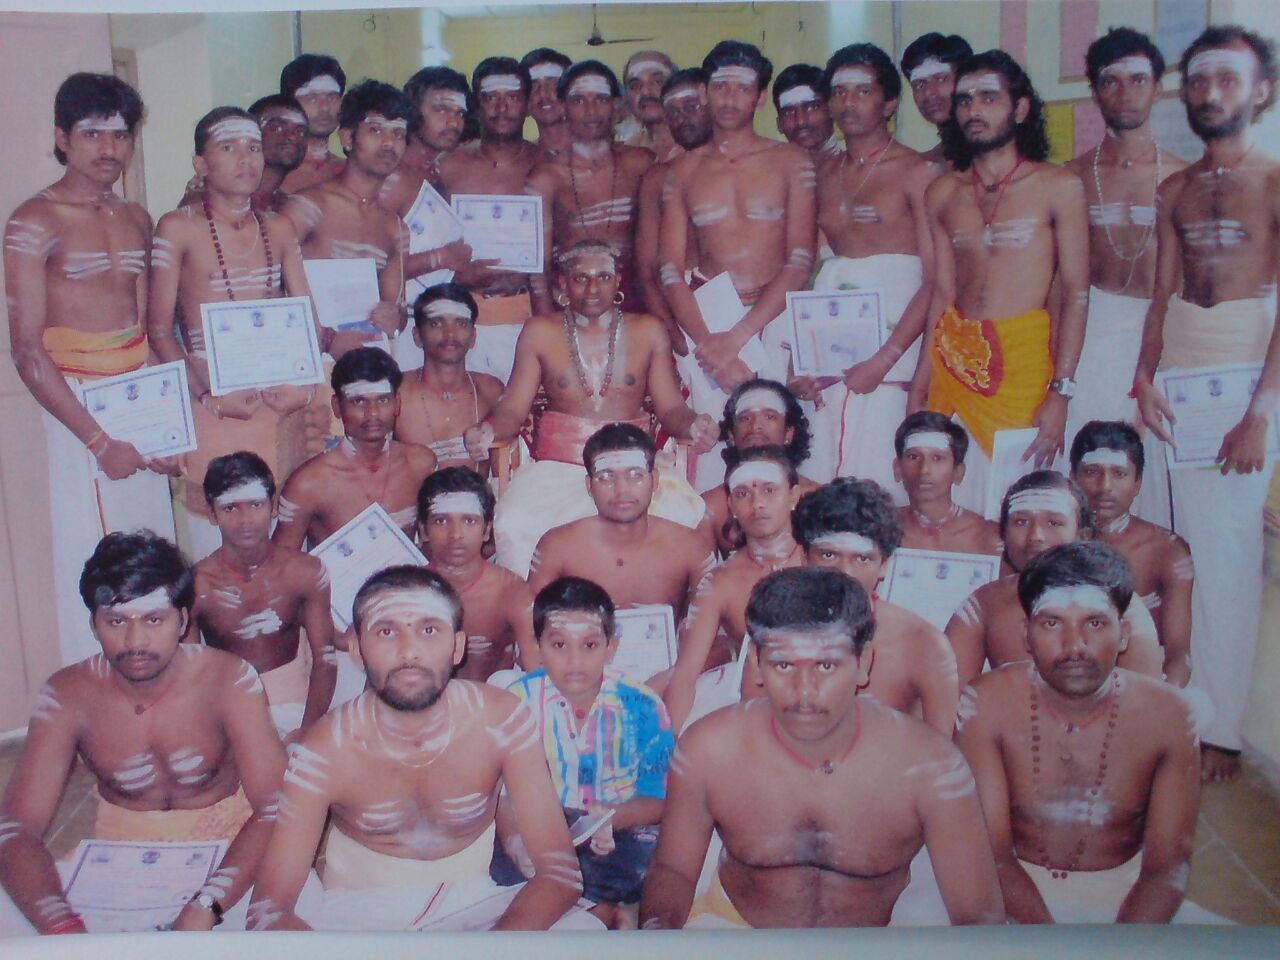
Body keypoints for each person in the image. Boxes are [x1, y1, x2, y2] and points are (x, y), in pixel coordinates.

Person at [639, 567, 1005, 928]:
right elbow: (674, 871)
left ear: (863, 665)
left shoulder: (930, 765)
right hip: (736, 932)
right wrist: (658, 935)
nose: (805, 691)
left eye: (827, 665)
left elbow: (977, 916)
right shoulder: (708, 751)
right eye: (783, 665)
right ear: (756, 664)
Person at [245, 566, 587, 931]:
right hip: (357, 914)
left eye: (428, 630)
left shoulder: (502, 721)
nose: (409, 651)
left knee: (587, 937)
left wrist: (492, 952)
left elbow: (560, 874)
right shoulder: (326, 749)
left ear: (457, 647)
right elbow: (269, 908)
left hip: (478, 903)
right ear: (358, 652)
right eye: (387, 631)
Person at [0, 532, 285, 933]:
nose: (135, 641)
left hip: (230, 851)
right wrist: (61, 926)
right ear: (94, 624)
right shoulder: (67, 694)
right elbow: (16, 828)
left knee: (288, 917)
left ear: (183, 620)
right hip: (120, 861)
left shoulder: (229, 680)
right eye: (116, 621)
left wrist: (209, 903)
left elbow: (276, 806)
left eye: (154, 620)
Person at [1133, 25, 1280, 782]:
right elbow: (1159, 297)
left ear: (1262, 90)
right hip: (1177, 377)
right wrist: (1143, 378)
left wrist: (1262, 409)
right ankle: (1166, 708)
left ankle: (1220, 729)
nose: (1209, 93)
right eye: (1197, 80)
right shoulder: (1175, 190)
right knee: (1167, 546)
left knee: (1225, 557)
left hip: (1244, 373)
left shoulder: (1277, 180)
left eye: (1227, 79)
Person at [4, 72, 178, 665]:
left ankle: (160, 695)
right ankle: (98, 706)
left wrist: (169, 429)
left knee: (153, 552)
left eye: (120, 134)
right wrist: (100, 441)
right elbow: (27, 351)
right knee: (97, 556)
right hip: (78, 405)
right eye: (92, 133)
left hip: (136, 395)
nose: (109, 148)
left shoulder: (136, 217)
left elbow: (150, 334)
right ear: (62, 137)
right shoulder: (34, 221)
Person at [956, 541, 1202, 923]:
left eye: (1095, 623)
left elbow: (1167, 867)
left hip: (1125, 889)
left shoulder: (1171, 715)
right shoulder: (984, 704)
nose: (1074, 647)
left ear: (1123, 635)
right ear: (1027, 635)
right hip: (1007, 890)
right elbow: (991, 854)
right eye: (1052, 623)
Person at [463, 240, 715, 578]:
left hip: (634, 467)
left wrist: (694, 424)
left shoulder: (648, 330)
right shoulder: (540, 332)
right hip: (560, 466)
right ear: (563, 285)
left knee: (684, 515)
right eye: (581, 278)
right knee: (514, 522)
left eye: (603, 277)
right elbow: (512, 408)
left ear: (617, 282)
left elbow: (671, 408)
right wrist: (489, 429)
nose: (593, 288)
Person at [147, 105, 319, 562]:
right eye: (229, 148)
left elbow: (306, 318)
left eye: (254, 147)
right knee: (216, 558)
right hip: (215, 409)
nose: (246, 159)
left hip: (277, 405)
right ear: (201, 165)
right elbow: (159, 331)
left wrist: (302, 386)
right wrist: (207, 396)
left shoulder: (278, 227)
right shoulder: (177, 227)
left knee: (283, 554)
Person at [918, 51, 1089, 508]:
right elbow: (941, 293)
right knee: (950, 505)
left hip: (1026, 371)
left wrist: (1062, 392)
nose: (974, 110)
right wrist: (919, 389)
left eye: (989, 98)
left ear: (1020, 108)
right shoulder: (942, 193)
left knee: (1022, 508)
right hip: (952, 364)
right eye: (965, 100)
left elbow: (1075, 291)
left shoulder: (1058, 186)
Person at [791, 43, 939, 490]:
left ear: (889, 102)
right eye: (839, 92)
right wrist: (799, 360)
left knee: (880, 476)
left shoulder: (917, 172)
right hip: (829, 344)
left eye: (862, 91)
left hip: (895, 347)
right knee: (821, 472)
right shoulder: (821, 171)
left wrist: (886, 359)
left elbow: (936, 282)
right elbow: (813, 270)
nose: (848, 102)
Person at [492, 577, 674, 928]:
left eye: (590, 645)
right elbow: (500, 795)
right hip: (539, 826)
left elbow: (660, 797)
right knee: (502, 863)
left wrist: (614, 818)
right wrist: (515, 839)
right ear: (538, 645)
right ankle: (599, 910)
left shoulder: (642, 706)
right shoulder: (515, 703)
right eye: (559, 644)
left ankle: (591, 908)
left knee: (649, 859)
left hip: (616, 830)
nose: (575, 660)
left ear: (611, 646)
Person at [1064, 28, 1190, 527]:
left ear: (1158, 88)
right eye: (1110, 81)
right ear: (1094, 91)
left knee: (1151, 476)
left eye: (1138, 80)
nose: (1124, 92)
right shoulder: (1070, 177)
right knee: (1087, 469)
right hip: (1093, 333)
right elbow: (1062, 285)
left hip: (1161, 337)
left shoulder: (1184, 177)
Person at [658, 40, 817, 402]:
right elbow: (669, 268)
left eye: (743, 88)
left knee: (779, 441)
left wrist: (739, 336)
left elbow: (801, 260)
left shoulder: (792, 161)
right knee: (715, 448)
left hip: (776, 317)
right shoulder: (682, 171)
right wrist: (710, 346)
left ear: (760, 97)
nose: (730, 99)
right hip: (708, 320)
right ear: (704, 91)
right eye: (721, 87)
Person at [945, 470, 1164, 689]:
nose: (1035, 536)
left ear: (1083, 535)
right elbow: (948, 700)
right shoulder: (984, 604)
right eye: (1021, 522)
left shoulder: (1119, 603)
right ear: (1003, 534)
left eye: (1053, 523)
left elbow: (1147, 706)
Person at [792, 477, 960, 736]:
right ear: (804, 557)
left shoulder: (925, 646)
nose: (845, 573)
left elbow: (942, 762)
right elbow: (756, 744)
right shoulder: (775, 636)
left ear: (883, 565)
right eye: (829, 555)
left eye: (862, 558)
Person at [190, 452, 336, 740]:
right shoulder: (197, 585)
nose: (245, 520)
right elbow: (191, 675)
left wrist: (306, 732)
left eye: (255, 505)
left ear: (272, 507)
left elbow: (325, 660)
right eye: (230, 508)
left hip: (299, 702)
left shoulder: (304, 571)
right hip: (227, 709)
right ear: (212, 514)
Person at [665, 446, 804, 732]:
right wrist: (665, 751)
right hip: (752, 706)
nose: (757, 504)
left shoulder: (824, 561)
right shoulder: (720, 582)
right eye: (743, 494)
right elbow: (685, 675)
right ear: (730, 505)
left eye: (769, 490)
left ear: (793, 497)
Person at [527, 424, 717, 626]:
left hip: (672, 658)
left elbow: (714, 637)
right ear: (589, 486)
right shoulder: (556, 547)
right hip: (578, 657)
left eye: (635, 475)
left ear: (654, 480)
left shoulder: (691, 547)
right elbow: (530, 631)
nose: (621, 489)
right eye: (606, 477)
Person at [284, 80, 411, 359]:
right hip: (302, 359)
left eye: (399, 134)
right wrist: (326, 339)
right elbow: (271, 289)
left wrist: (395, 318)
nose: (389, 143)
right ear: (347, 138)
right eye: (376, 130)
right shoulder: (308, 207)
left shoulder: (395, 227)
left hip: (366, 364)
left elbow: (396, 307)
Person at [438, 57, 543, 381]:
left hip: (527, 315)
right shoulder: (449, 166)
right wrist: (458, 277)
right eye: (490, 97)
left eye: (512, 97)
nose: (501, 107)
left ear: (527, 103)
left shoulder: (547, 166)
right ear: (477, 104)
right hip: (461, 317)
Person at [274, 346, 437, 549]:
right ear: (337, 407)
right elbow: (280, 565)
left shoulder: (421, 464)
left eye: (383, 400)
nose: (373, 413)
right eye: (359, 401)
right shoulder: (308, 484)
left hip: (407, 579)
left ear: (397, 404)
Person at [1069, 421, 1193, 686]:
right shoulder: (1050, 541)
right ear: (1073, 478)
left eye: (1119, 474)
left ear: (1137, 484)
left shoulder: (1167, 551)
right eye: (1092, 472)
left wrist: (1163, 702)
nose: (1105, 487)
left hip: (1137, 687)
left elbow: (1178, 653)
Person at [528, 60, 654, 313]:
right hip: (570, 300)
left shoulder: (641, 163)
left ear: (616, 105)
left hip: (633, 299)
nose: (590, 110)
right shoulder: (546, 177)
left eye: (600, 99)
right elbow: (537, 265)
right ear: (563, 106)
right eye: (578, 100)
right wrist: (546, 324)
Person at [416, 467, 537, 680]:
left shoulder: (511, 591)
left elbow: (537, 668)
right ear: (424, 530)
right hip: (421, 705)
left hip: (491, 704)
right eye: (441, 521)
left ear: (487, 530)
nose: (455, 534)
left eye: (469, 521)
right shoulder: (406, 591)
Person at [634, 67, 713, 334]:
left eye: (691, 107)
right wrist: (672, 332)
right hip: (683, 312)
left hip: (753, 309)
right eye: (674, 112)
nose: (683, 119)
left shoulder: (754, 167)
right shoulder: (658, 179)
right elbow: (646, 273)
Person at [393, 283, 503, 471]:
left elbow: (504, 474)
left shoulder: (490, 390)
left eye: (460, 324)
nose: (450, 334)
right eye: (436, 323)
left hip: (483, 498)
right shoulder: (397, 393)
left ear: (473, 336)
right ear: (417, 336)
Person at [703, 379, 819, 555]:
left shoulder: (819, 498)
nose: (756, 426)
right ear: (731, 436)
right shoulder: (711, 508)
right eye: (745, 418)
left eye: (769, 416)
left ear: (789, 433)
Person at [894, 412, 1003, 555]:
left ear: (958, 472)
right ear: (898, 469)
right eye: (914, 457)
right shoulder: (878, 529)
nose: (925, 469)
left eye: (937, 458)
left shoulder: (990, 537)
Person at [899, 32, 973, 165]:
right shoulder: (923, 165)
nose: (929, 93)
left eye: (941, 79)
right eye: (919, 84)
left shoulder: (995, 154)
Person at [279, 53, 346, 193]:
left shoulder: (350, 172)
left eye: (332, 97)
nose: (324, 108)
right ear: (289, 104)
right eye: (311, 98)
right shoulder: (273, 171)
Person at [617, 51, 678, 161]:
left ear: (678, 87)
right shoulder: (629, 153)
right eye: (635, 85)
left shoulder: (702, 143)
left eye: (657, 82)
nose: (646, 92)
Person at [772, 64, 840, 159]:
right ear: (779, 124)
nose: (801, 121)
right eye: (788, 112)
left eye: (813, 107)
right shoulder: (770, 172)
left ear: (832, 111)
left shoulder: (859, 170)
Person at [521, 48, 574, 160]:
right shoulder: (523, 161)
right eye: (534, 86)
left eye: (552, 83)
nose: (543, 93)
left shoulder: (605, 152)